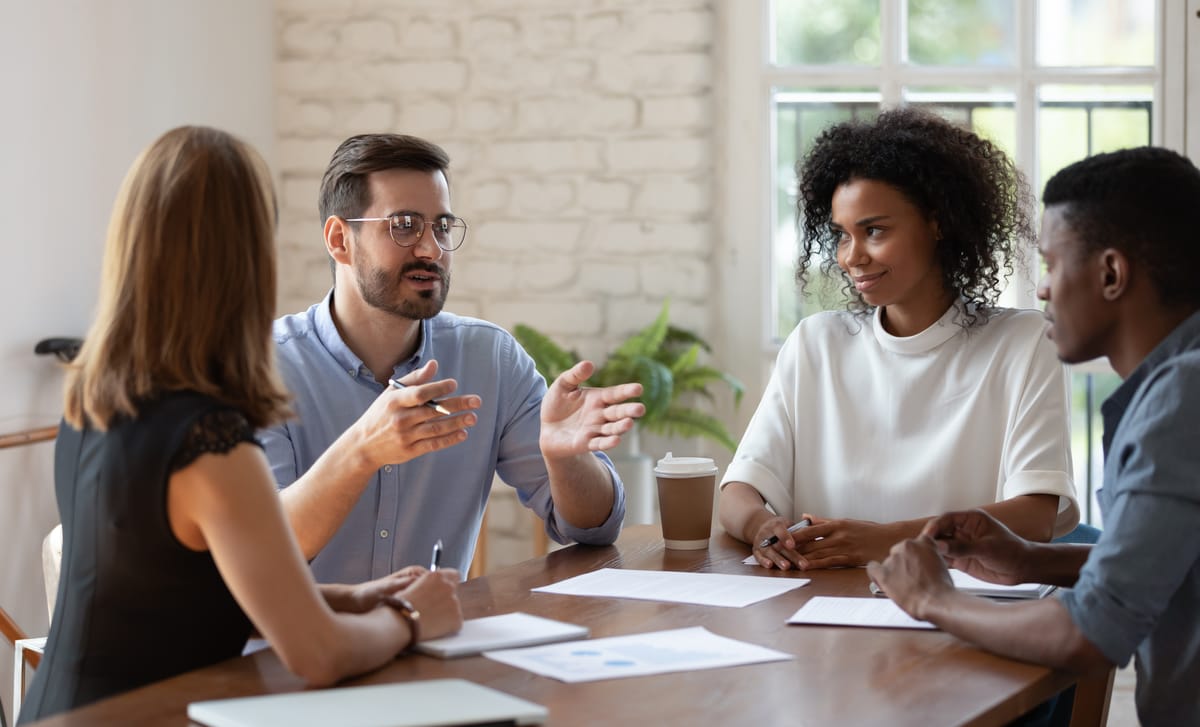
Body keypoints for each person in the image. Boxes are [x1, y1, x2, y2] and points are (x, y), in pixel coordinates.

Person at [19, 127, 463, 723]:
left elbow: (177, 593)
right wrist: (408, 621)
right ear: (245, 257)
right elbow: (318, 655)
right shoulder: (212, 445)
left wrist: (354, 600)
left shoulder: (96, 399)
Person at [868, 146, 1200, 727]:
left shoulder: (1180, 403)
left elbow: (1090, 634)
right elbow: (1174, 558)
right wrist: (1028, 559)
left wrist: (931, 600)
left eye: (1051, 264)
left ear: (1111, 274)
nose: (1043, 290)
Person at [260, 134, 643, 584]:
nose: (431, 249)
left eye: (441, 227)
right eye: (404, 225)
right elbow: (266, 548)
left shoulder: (491, 360)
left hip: (436, 645)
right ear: (340, 239)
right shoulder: (264, 367)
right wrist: (364, 447)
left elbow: (595, 528)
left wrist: (566, 459)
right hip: (303, 651)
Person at [719, 107, 1079, 571]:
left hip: (956, 615)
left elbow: (1034, 516)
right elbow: (738, 491)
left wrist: (886, 541)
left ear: (938, 222)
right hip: (819, 611)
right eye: (841, 236)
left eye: (874, 230)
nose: (852, 257)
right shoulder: (817, 343)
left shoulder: (1024, 344)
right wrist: (759, 527)